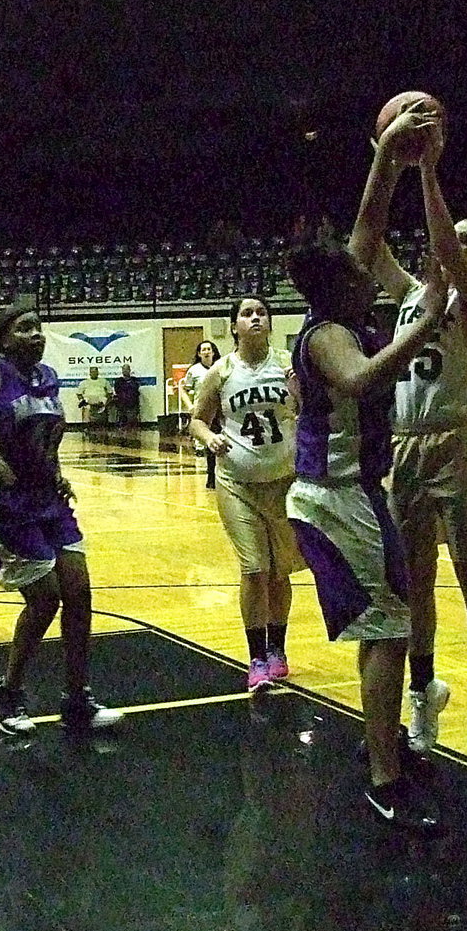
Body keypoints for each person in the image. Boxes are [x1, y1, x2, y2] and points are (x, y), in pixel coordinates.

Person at [285, 106, 447, 831]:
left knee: (385, 628)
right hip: (335, 497)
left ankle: (380, 744)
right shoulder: (327, 335)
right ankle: (385, 776)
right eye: (359, 271)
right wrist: (425, 320)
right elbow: (360, 382)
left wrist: (386, 155)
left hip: (350, 494)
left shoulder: (337, 308)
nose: (369, 269)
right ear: (342, 286)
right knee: (390, 629)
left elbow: (369, 226)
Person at [352, 113, 467, 759]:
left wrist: (428, 169)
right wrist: (386, 164)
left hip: (454, 441)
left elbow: (443, 250)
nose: (452, 245)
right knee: (413, 583)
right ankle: (423, 693)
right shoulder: (409, 293)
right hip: (405, 446)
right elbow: (371, 244)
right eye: (456, 238)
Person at [0, 298, 123, 736]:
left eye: (38, 327)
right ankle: (8, 692)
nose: (35, 334)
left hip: (46, 497)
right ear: (2, 338)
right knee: (44, 599)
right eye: (24, 328)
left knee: (79, 593)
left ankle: (77, 699)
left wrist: (57, 472)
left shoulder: (48, 377)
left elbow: (47, 435)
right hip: (4, 501)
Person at [189, 296, 304, 693]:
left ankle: (278, 649)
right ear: (234, 325)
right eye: (246, 313)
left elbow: (310, 411)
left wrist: (303, 399)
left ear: (270, 322)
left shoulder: (288, 364)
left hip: (285, 482)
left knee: (279, 572)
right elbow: (197, 421)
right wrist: (210, 438)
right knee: (254, 569)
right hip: (237, 483)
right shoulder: (221, 372)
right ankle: (255, 657)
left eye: (261, 313)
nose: (255, 318)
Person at [180, 340, 221, 487]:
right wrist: (190, 406)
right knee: (209, 444)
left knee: (220, 441)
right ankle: (211, 477)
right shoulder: (194, 370)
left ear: (213, 352)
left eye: (209, 349)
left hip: (219, 411)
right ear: (199, 353)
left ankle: (220, 476)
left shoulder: (220, 367)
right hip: (203, 411)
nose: (206, 352)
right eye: (203, 349)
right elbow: (182, 388)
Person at [111, 362, 142, 427]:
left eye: (127, 369)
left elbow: (135, 390)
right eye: (124, 369)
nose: (125, 371)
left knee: (132, 422)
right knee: (122, 420)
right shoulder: (118, 381)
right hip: (121, 404)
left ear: (130, 370)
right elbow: (117, 391)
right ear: (122, 371)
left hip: (132, 404)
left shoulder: (134, 380)